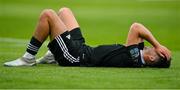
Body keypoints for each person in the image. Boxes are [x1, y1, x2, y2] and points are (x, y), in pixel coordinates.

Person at [4, 7, 171, 68]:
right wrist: (157, 48)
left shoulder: (134, 57)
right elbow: (140, 33)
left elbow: (136, 26)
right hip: (82, 48)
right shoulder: (139, 52)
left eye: (155, 51)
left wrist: (157, 44)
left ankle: (28, 58)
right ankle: (52, 55)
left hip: (75, 56)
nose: (153, 47)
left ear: (150, 58)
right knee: (64, 11)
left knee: (48, 14)